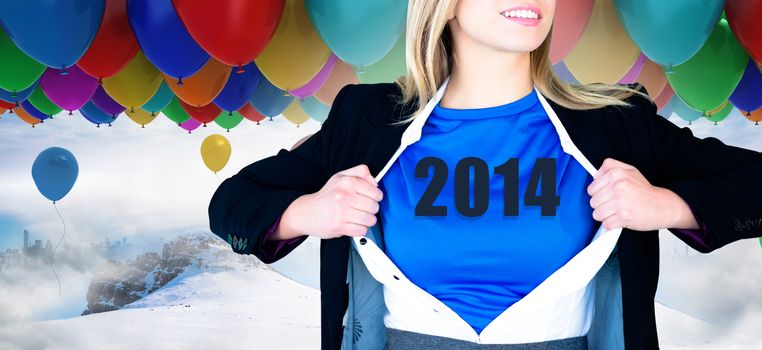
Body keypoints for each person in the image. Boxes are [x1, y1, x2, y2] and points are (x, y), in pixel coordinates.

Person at [208, 1, 762, 349]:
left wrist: (669, 206)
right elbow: (231, 203)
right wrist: (309, 212)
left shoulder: (618, 121)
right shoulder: (367, 118)